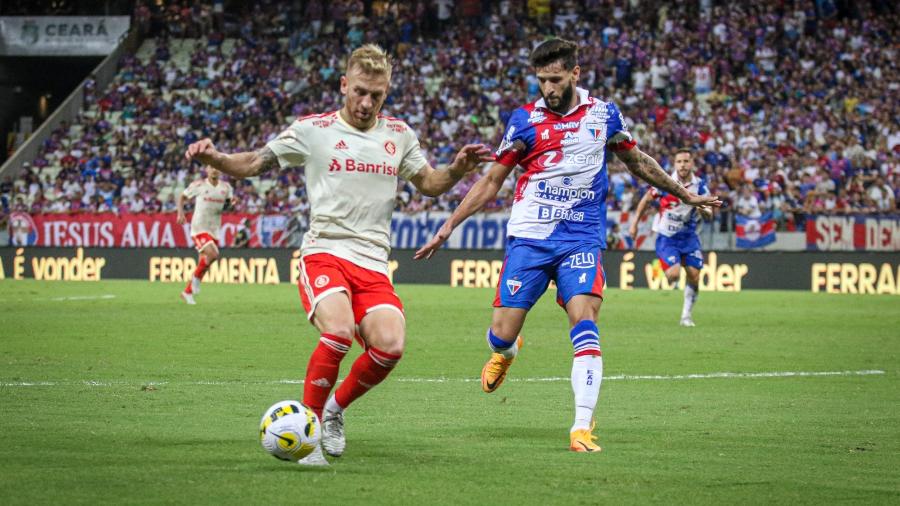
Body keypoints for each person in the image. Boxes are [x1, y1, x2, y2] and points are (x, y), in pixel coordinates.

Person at [184, 44, 491, 464]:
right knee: (340, 331)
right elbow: (256, 161)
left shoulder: (398, 135)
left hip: (372, 261)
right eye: (360, 91)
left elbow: (430, 183)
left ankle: (332, 411)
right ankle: (307, 431)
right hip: (324, 252)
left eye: (376, 95)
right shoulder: (313, 130)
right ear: (344, 85)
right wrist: (216, 157)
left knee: (390, 345)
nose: (366, 103)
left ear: (386, 93)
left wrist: (456, 169)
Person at [414, 39, 720, 453]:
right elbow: (491, 182)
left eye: (555, 79)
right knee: (501, 334)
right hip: (530, 239)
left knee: (585, 320)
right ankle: (507, 351)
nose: (548, 88)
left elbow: (639, 161)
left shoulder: (603, 114)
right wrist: (448, 226)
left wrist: (684, 194)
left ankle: (580, 427)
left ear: (575, 74)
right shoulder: (523, 120)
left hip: (581, 238)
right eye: (541, 80)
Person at [629, 148, 712, 327]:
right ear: (675, 164)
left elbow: (709, 214)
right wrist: (635, 222)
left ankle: (686, 316)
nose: (683, 165)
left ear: (692, 164)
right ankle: (669, 267)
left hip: (689, 236)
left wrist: (703, 210)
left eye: (686, 161)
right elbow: (646, 200)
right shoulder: (665, 182)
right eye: (679, 162)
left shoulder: (700, 186)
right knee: (673, 275)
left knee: (695, 276)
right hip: (667, 236)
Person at [176, 166, 235, 305]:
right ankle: (195, 280)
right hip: (199, 227)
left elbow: (229, 203)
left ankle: (187, 292)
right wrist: (180, 213)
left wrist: (232, 204)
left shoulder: (226, 188)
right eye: (211, 168)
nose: (214, 170)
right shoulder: (199, 185)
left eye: (217, 168)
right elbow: (182, 197)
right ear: (207, 170)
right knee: (213, 254)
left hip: (214, 228)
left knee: (205, 262)